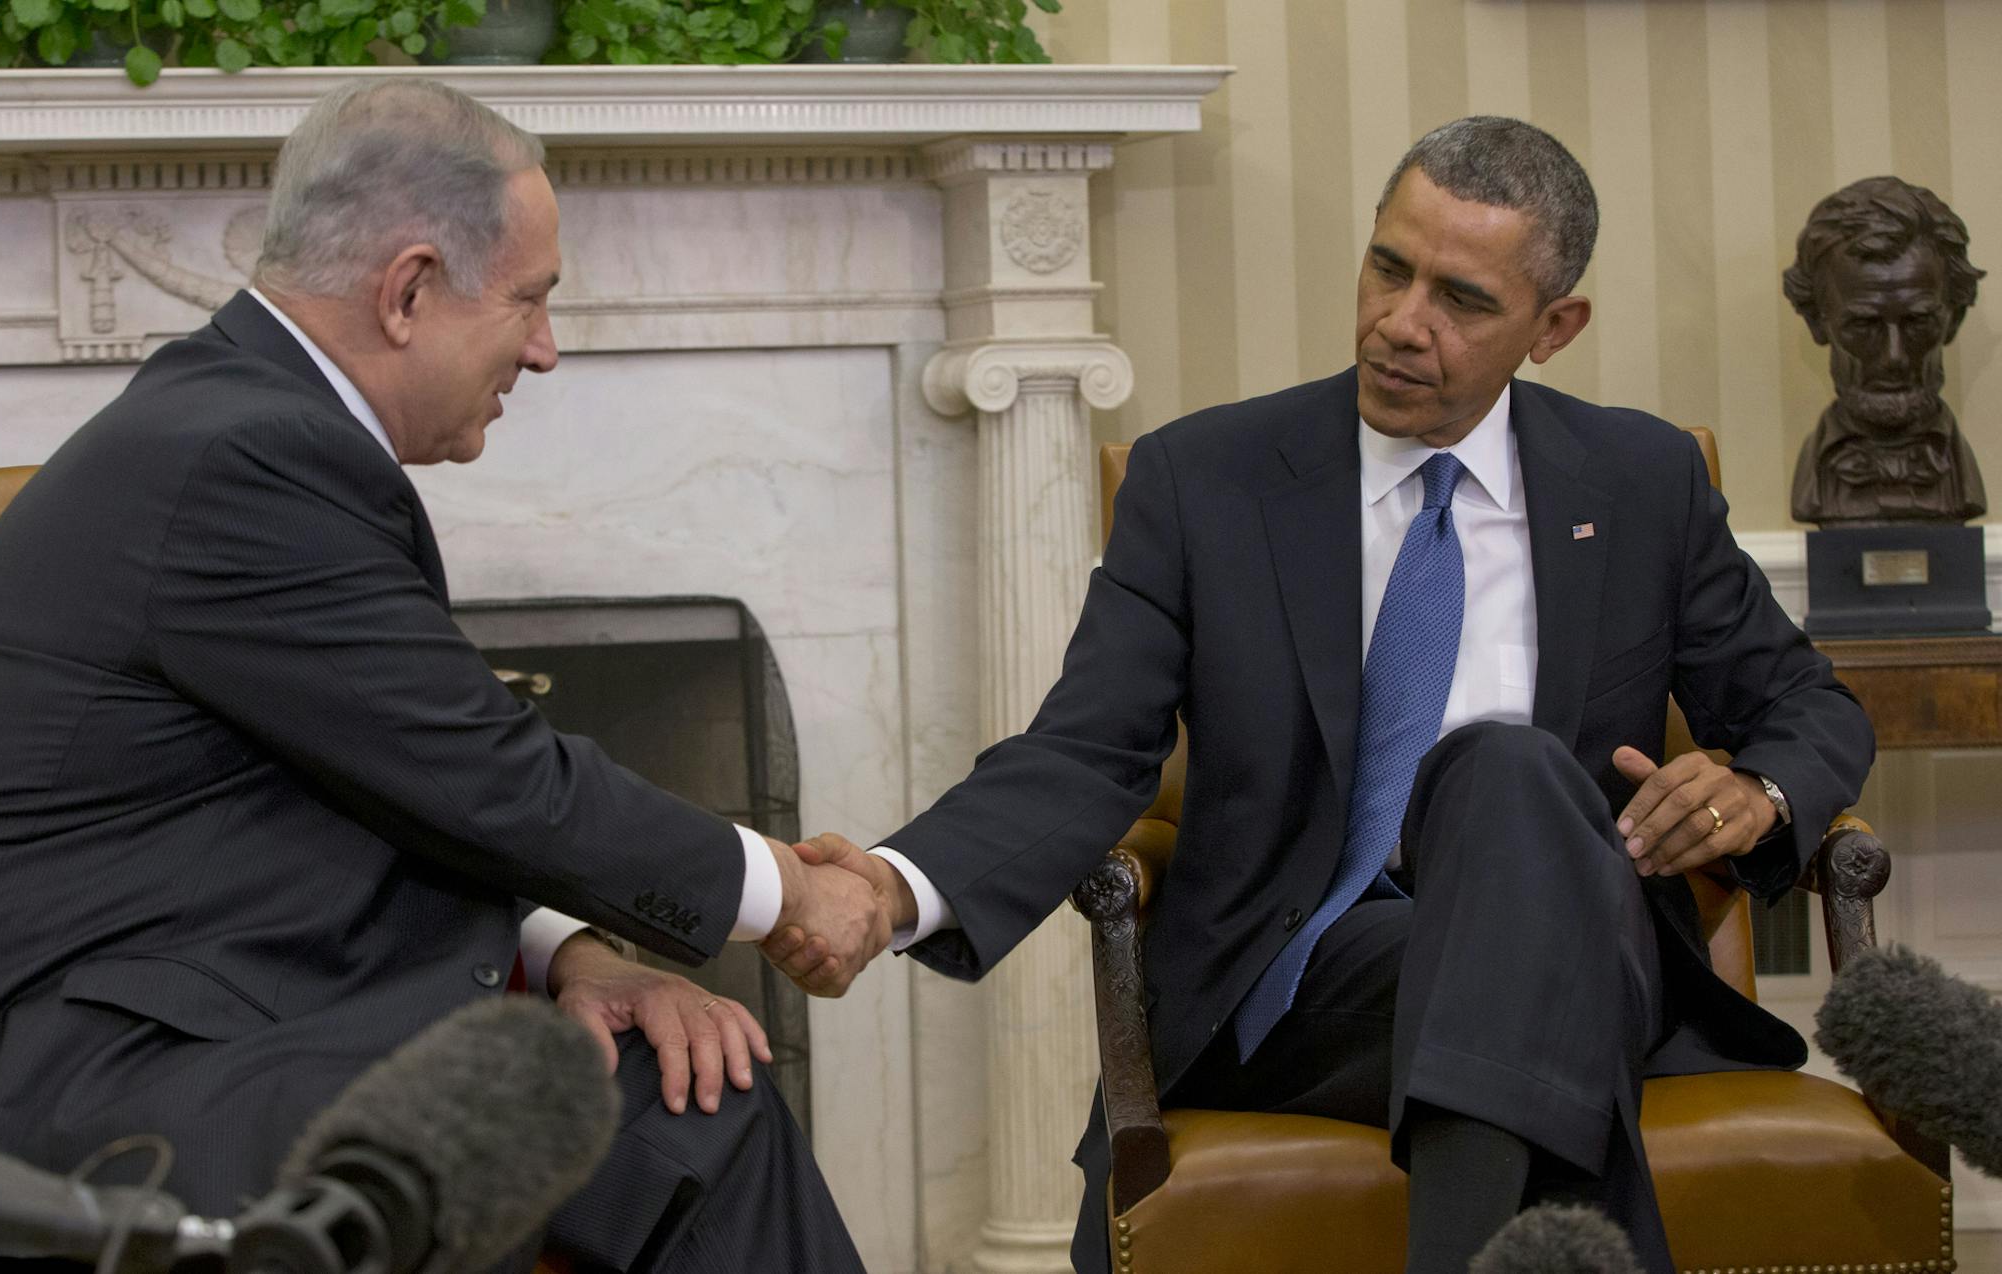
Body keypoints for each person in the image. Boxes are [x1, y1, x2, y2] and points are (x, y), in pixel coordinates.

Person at [769, 117, 1875, 1274]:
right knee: (1521, 943)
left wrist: (1759, 787)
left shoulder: (1639, 481)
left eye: (1461, 299)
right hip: (1309, 978)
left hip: (1588, 942)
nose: (1402, 323)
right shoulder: (1207, 480)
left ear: (1554, 328)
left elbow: (1812, 705)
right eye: (1389, 267)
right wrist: (897, 887)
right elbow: (1089, 748)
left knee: (1505, 772)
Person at [0, 79, 896, 1274]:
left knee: (691, 1090)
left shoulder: (251, 422)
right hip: (60, 1071)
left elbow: (391, 783)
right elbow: (493, 774)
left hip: (210, 1009)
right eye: (532, 301)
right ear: (408, 290)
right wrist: (785, 891)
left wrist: (576, 957)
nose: (546, 350)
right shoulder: (245, 454)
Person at [1785, 175, 1987, 526]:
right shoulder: (1814, 481)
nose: (1894, 357)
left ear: (1953, 318)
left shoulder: (1959, 472)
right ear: (1817, 322)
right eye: (1864, 326)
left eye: (1918, 323)